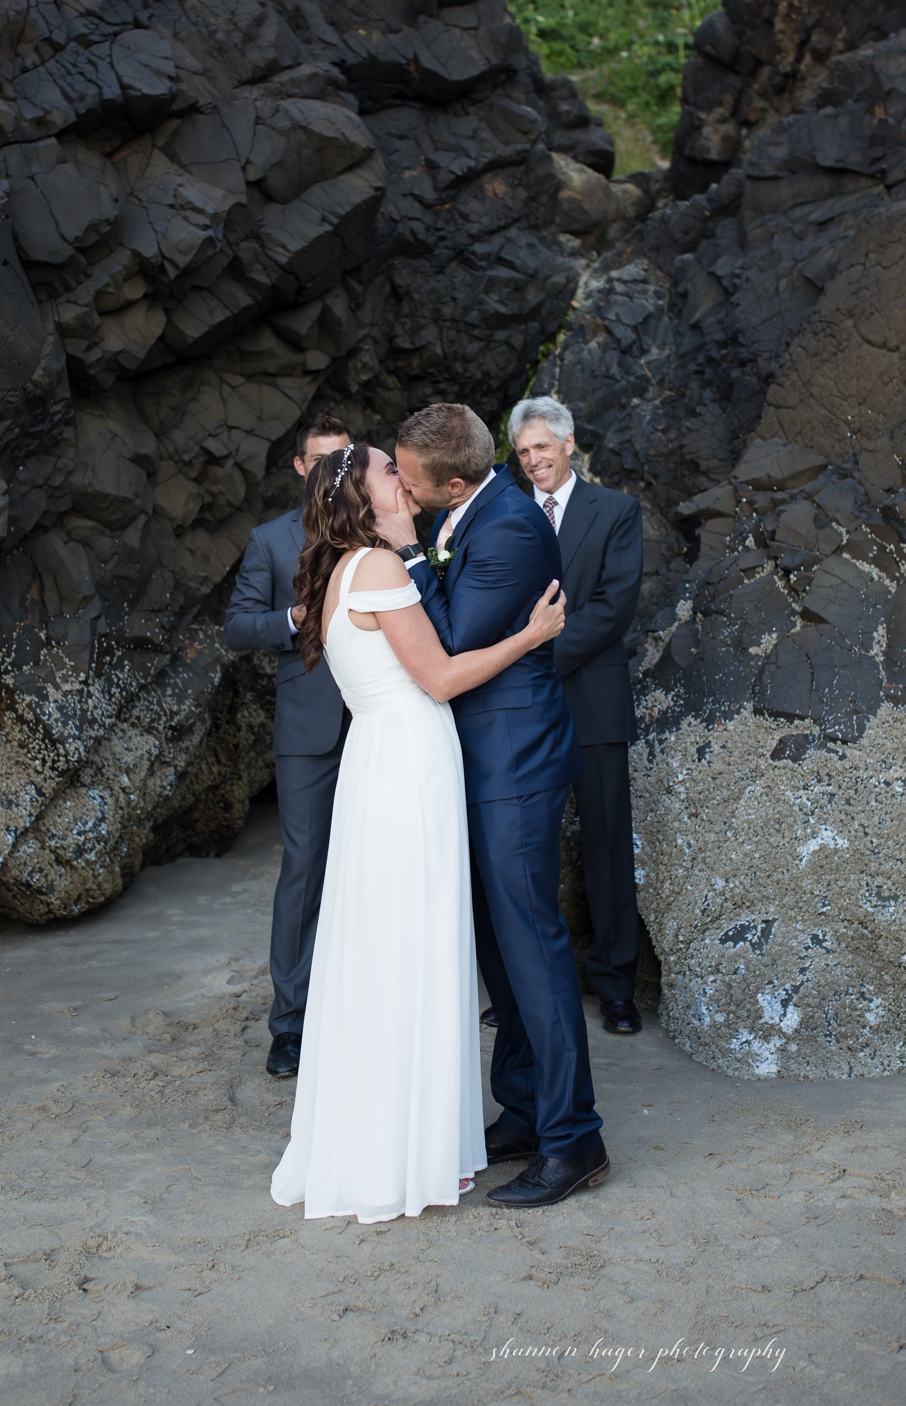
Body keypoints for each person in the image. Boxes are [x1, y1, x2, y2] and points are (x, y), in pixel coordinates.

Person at [269, 443, 568, 1223]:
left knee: (385, 949)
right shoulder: (376, 568)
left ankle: (394, 1135)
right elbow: (440, 677)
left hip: (381, 763)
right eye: (385, 471)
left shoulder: (341, 569)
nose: (401, 478)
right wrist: (531, 638)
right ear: (365, 498)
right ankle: (404, 1149)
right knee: (413, 948)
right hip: (409, 762)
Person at [377, 403, 610, 1210]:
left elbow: (450, 642)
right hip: (471, 761)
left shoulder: (507, 526)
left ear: (454, 481)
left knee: (532, 947)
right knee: (495, 951)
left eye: (409, 481)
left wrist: (408, 551)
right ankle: (525, 1111)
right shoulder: (471, 512)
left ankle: (576, 1138)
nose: (400, 491)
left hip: (512, 761)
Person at [509, 396, 644, 1036]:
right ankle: (522, 989)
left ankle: (617, 985)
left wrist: (535, 656)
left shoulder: (615, 511)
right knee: (522, 846)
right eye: (523, 451)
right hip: (518, 707)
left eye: (542, 447)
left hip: (590, 697)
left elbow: (614, 607)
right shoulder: (504, 515)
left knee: (607, 842)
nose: (533, 459)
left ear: (568, 444)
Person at [224, 413, 351, 1078]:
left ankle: (363, 1007)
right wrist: (294, 618)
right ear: (301, 468)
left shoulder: (377, 530)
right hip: (308, 730)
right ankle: (291, 1024)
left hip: (382, 721)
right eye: (322, 461)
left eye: (345, 458)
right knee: (304, 871)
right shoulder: (270, 541)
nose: (335, 472)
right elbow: (238, 627)